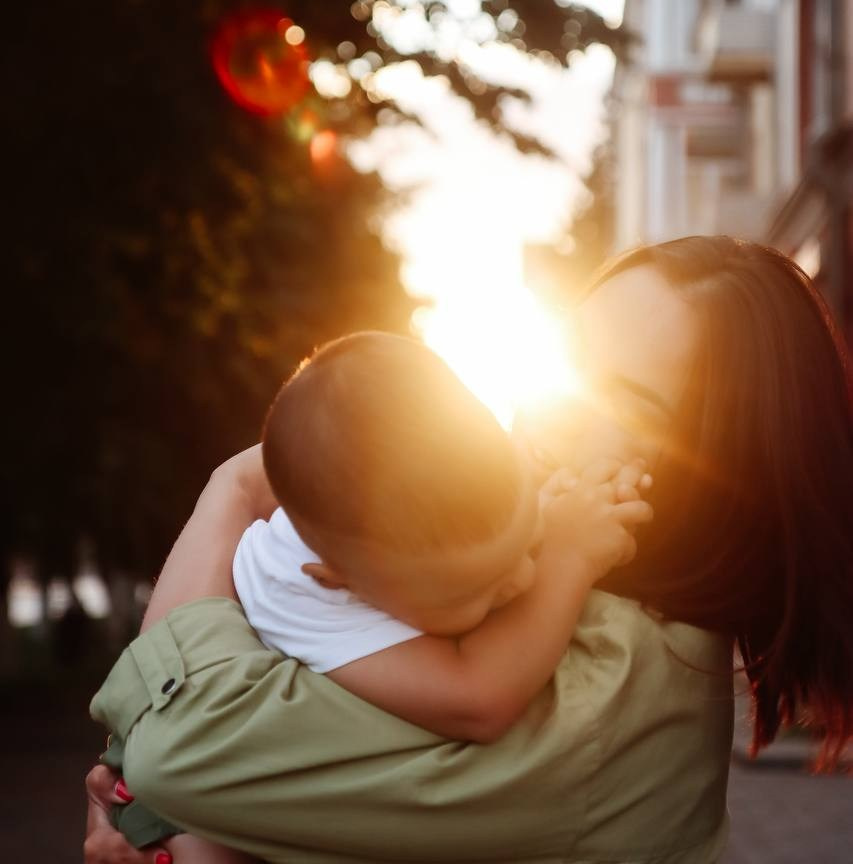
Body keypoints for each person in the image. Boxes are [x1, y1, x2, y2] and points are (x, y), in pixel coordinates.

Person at [84, 237, 853, 864]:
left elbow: (171, 748)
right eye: (569, 359)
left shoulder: (597, 683)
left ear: (723, 477)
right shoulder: (523, 580)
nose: (555, 408)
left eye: (625, 403)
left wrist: (237, 487)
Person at [107, 332, 651, 864]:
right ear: (339, 580)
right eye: (472, 592)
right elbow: (475, 700)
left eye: (525, 539)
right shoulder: (298, 591)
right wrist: (568, 555)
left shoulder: (420, 513)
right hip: (208, 802)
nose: (522, 579)